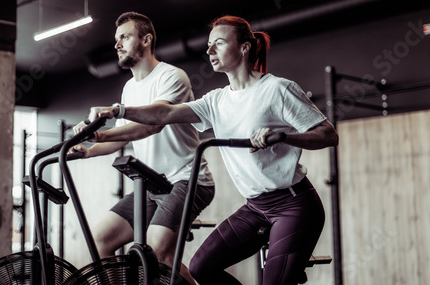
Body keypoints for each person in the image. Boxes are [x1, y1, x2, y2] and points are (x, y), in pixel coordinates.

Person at [94, 15, 339, 285]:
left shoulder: (277, 89)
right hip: (255, 207)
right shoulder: (217, 100)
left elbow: (328, 135)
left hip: (294, 204)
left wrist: (284, 137)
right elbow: (164, 113)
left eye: (218, 44)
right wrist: (121, 110)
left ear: (244, 47)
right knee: (201, 268)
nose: (209, 51)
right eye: (209, 45)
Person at [70, 12, 214, 284]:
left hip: (186, 179)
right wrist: (88, 150)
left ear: (146, 40)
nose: (117, 44)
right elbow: (124, 138)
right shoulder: (129, 88)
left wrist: (104, 128)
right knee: (100, 238)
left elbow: (153, 123)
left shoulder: (171, 76)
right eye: (116, 39)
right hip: (152, 183)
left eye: (124, 37)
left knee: (157, 252)